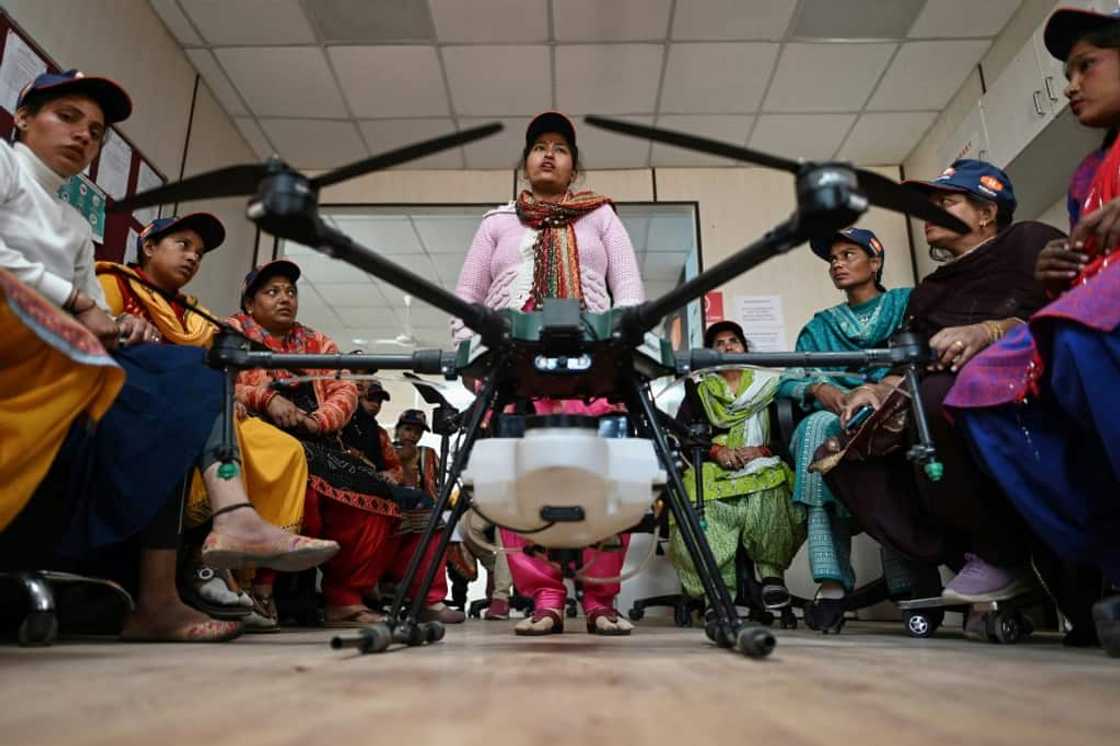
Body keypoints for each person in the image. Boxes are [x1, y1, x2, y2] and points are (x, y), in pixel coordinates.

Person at [0, 69, 336, 642]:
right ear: (25, 117)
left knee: (187, 375)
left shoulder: (77, 225)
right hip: (15, 346)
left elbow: (94, 326)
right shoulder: (5, 166)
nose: (85, 135)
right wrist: (81, 301)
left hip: (64, 358)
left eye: (98, 130)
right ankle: (227, 527)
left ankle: (174, 581)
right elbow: (78, 303)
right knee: (179, 381)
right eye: (69, 117)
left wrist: (115, 327)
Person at [944, 7, 1120, 655]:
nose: (1072, 84)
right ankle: (1103, 552)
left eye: (1087, 65)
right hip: (1095, 307)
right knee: (978, 389)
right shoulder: (1083, 177)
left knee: (1079, 331)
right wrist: (1055, 275)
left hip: (1103, 319)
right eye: (1067, 71)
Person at [824, 160, 1063, 630]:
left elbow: (1068, 310)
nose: (929, 214)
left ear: (986, 212)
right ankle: (974, 560)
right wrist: (876, 389)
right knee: (844, 451)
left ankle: (1001, 555)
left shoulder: (1029, 242)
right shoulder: (929, 292)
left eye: (946, 203)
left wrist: (992, 331)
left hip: (1025, 389)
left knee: (937, 399)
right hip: (937, 393)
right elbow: (904, 363)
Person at [452, 111, 645, 635]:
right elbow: (467, 298)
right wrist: (469, 357)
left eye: (560, 148)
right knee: (521, 479)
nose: (548, 154)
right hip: (513, 364)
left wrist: (627, 348)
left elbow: (629, 292)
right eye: (539, 146)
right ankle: (544, 598)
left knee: (607, 475)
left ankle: (602, 601)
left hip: (593, 364)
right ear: (525, 161)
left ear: (573, 166)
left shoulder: (601, 217)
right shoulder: (497, 222)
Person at [96, 214, 311, 630]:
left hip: (198, 404)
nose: (194, 256)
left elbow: (223, 371)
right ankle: (207, 568)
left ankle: (231, 567)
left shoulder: (196, 313)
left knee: (285, 449)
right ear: (149, 246)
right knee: (198, 417)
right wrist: (120, 324)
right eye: (183, 244)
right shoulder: (114, 285)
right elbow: (91, 333)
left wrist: (230, 397)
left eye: (199, 252)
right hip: (129, 401)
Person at [229, 260, 457, 626]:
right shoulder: (231, 333)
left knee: (380, 499)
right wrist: (266, 398)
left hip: (319, 441)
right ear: (250, 303)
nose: (285, 298)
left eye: (290, 291)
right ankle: (261, 589)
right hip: (261, 439)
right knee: (306, 489)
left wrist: (317, 421)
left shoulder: (316, 341)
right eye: (272, 292)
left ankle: (345, 598)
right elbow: (217, 380)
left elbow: (344, 388)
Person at [776, 228, 910, 624]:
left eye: (848, 254)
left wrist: (879, 390)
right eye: (833, 258)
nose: (837, 264)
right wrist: (821, 390)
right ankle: (831, 582)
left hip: (891, 408)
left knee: (898, 438)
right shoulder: (821, 325)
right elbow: (788, 378)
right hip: (835, 415)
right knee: (816, 429)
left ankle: (909, 580)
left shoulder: (904, 305)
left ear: (876, 261)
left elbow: (921, 355)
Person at [673, 320, 805, 610]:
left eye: (733, 341)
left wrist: (762, 450)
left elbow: (789, 431)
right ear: (710, 354)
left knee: (772, 486)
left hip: (762, 460)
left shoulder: (769, 384)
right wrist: (717, 451)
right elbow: (685, 434)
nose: (727, 346)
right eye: (719, 344)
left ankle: (772, 578)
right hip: (714, 463)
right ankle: (716, 591)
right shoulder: (700, 389)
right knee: (698, 496)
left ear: (744, 347)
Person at [392, 409, 465, 623]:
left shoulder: (429, 453)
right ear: (398, 429)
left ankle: (438, 597)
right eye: (407, 429)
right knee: (430, 525)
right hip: (394, 506)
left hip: (427, 509)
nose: (412, 435)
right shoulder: (386, 448)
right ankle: (427, 599)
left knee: (453, 532)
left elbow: (438, 489)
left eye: (417, 432)